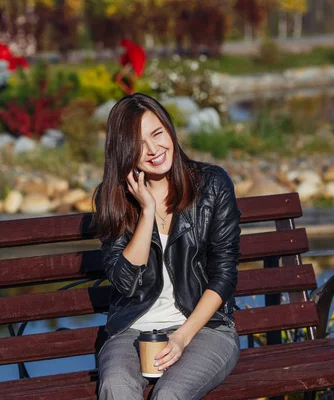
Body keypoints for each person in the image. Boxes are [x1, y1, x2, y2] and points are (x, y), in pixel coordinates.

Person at [93, 93, 241, 400]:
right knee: (115, 387)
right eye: (138, 144)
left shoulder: (212, 185)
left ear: (169, 129)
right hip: (131, 330)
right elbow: (124, 282)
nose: (153, 150)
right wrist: (146, 210)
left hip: (204, 328)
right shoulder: (113, 199)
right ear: (124, 152)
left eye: (157, 134)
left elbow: (223, 275)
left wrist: (182, 337)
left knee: (169, 395)